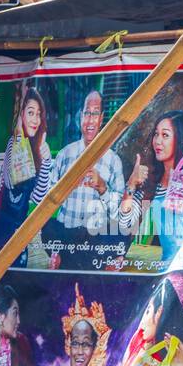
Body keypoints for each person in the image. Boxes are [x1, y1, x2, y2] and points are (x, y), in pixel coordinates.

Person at [31, 90, 126, 270]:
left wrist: (102, 188)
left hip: (96, 240)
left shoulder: (113, 160)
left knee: (124, 228)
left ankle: (111, 261)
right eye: (87, 113)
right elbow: (45, 201)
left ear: (102, 118)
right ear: (80, 116)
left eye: (95, 113)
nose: (90, 120)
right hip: (67, 238)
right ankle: (56, 254)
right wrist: (65, 187)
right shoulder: (65, 154)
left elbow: (119, 212)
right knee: (48, 225)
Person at [118, 110, 183, 268]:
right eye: (156, 134)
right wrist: (131, 185)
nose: (157, 141)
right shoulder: (150, 182)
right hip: (160, 270)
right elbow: (125, 223)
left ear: (180, 139)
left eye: (165, 135)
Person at [0, 85, 50, 267]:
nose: (35, 119)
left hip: (21, 235)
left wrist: (46, 161)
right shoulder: (13, 143)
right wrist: (20, 134)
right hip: (2, 230)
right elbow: (14, 183)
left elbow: (38, 197)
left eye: (38, 114)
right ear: (21, 116)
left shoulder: (40, 148)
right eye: (30, 113)